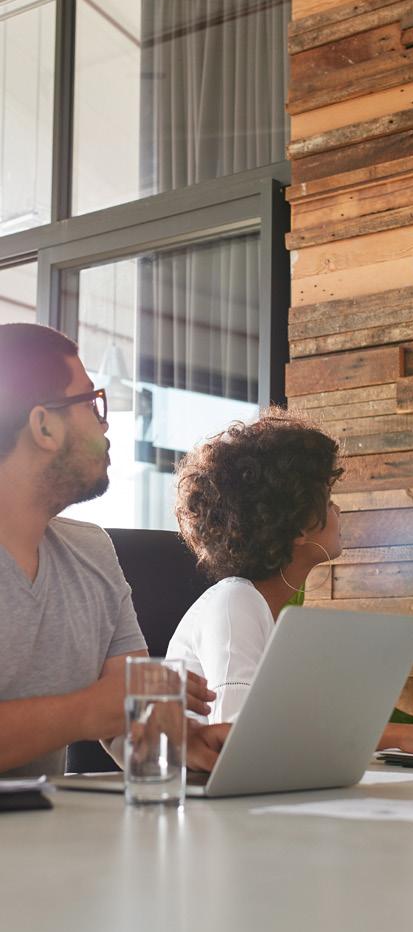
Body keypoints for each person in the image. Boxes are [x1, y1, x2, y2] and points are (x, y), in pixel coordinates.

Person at [168, 408, 413, 757]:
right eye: (328, 501)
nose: (338, 511)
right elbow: (237, 738)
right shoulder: (235, 602)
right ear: (297, 525)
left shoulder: (267, 611)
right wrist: (401, 736)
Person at [0, 323, 228, 777]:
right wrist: (84, 711)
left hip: (47, 838)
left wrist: (178, 741)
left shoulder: (92, 551)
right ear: (44, 425)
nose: (106, 426)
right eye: (92, 403)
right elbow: (98, 708)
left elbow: (125, 715)